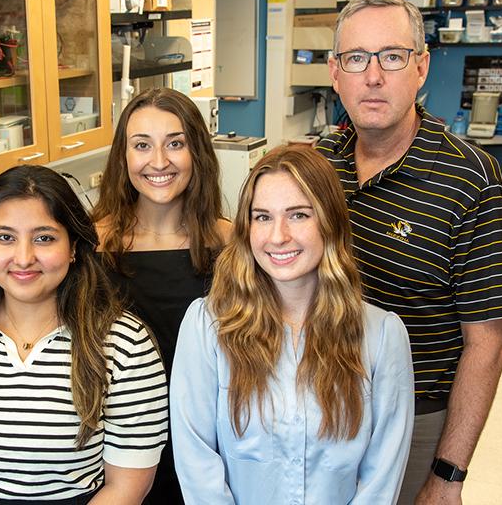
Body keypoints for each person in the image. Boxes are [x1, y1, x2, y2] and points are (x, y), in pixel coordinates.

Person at [316, 0, 502, 504]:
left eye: (392, 56)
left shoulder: (473, 180)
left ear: (422, 66)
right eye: (356, 58)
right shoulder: (323, 161)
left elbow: (489, 343)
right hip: (320, 405)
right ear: (335, 72)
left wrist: (447, 475)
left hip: (416, 419)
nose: (373, 76)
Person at [170, 145, 414, 504]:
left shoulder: (381, 336)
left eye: (298, 215)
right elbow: (197, 463)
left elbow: (381, 479)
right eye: (263, 217)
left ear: (329, 222)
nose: (278, 236)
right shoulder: (207, 328)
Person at [0, 165, 168, 505]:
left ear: (74, 246)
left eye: (44, 238)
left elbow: (127, 485)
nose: (23, 258)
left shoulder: (126, 343)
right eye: (5, 237)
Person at [93, 87, 231, 503]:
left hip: (209, 448)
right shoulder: (90, 247)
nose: (159, 161)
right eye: (142, 145)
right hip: (114, 454)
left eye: (175, 143)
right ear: (123, 157)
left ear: (198, 154)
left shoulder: (231, 245)